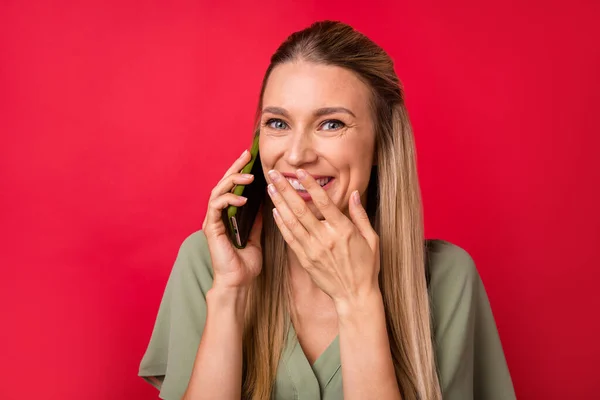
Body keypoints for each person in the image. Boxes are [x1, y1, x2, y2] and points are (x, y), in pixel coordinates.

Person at [138, 20, 515, 400]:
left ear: (381, 145)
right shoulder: (209, 264)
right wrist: (230, 295)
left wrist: (358, 300)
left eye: (331, 123)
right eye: (278, 123)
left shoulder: (448, 280)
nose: (297, 154)